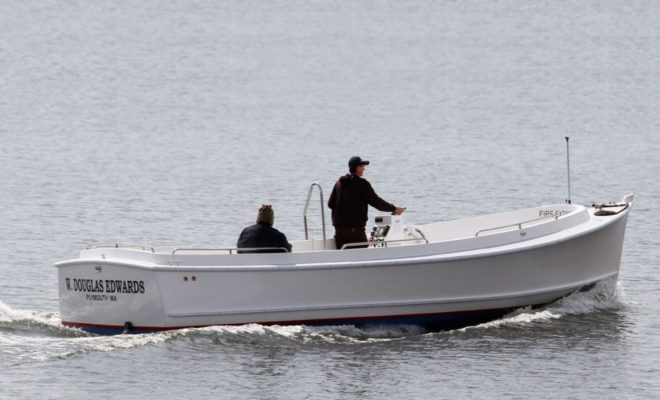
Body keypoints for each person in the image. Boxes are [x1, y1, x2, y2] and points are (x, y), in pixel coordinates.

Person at [328, 156, 405, 250]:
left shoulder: (339, 183)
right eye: (362, 166)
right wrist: (394, 208)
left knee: (344, 259)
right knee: (362, 257)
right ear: (356, 168)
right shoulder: (362, 184)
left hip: (339, 231)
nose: (364, 168)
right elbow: (376, 202)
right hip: (355, 232)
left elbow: (330, 204)